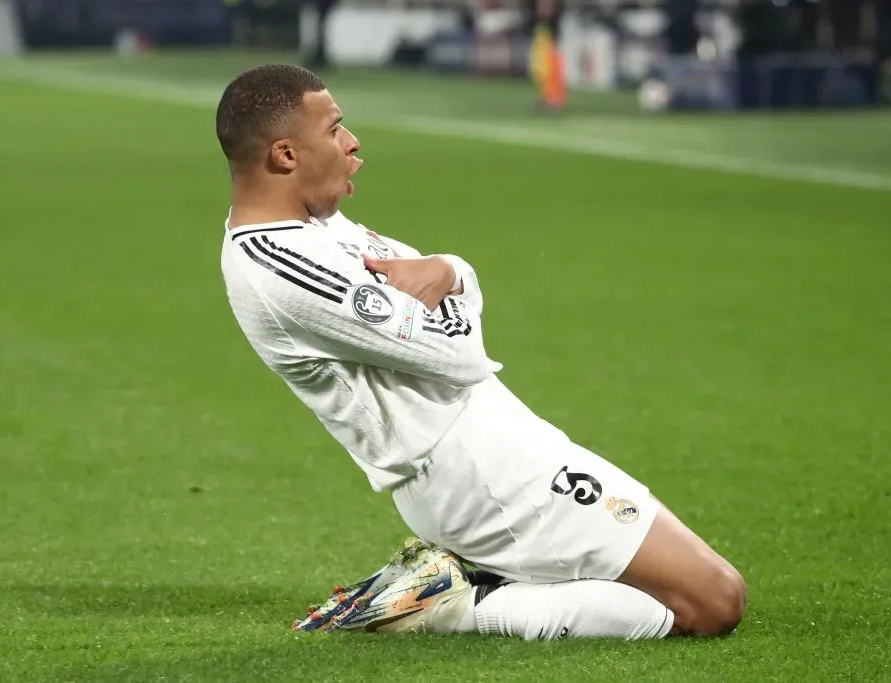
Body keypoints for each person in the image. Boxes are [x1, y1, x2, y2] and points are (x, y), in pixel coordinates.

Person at [216, 64, 746, 641]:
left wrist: (450, 269)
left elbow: (437, 280)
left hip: (498, 441)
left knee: (695, 590)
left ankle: (468, 587)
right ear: (286, 155)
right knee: (713, 602)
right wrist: (453, 274)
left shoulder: (316, 227)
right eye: (336, 127)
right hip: (478, 475)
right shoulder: (281, 268)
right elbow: (460, 352)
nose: (352, 141)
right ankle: (452, 606)